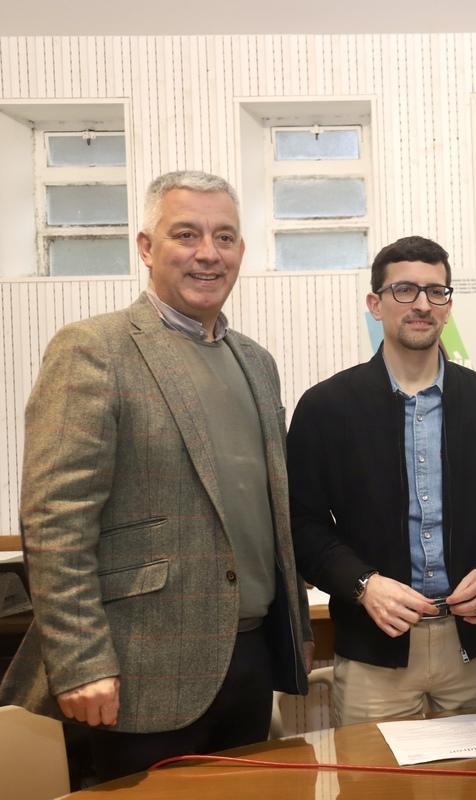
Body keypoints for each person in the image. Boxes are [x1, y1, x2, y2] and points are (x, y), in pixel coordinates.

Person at [0, 171, 312, 781]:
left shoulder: (256, 361)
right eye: (186, 234)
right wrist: (83, 660)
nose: (207, 253)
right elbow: (55, 519)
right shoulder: (95, 349)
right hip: (137, 668)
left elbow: (268, 512)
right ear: (145, 247)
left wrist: (294, 625)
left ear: (241, 252)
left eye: (224, 237)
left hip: (249, 660)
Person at [288, 236, 476, 725]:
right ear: (375, 303)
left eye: (436, 292)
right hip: (375, 651)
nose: (421, 305)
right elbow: (300, 524)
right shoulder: (326, 408)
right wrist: (364, 585)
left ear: (449, 306)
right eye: (404, 290)